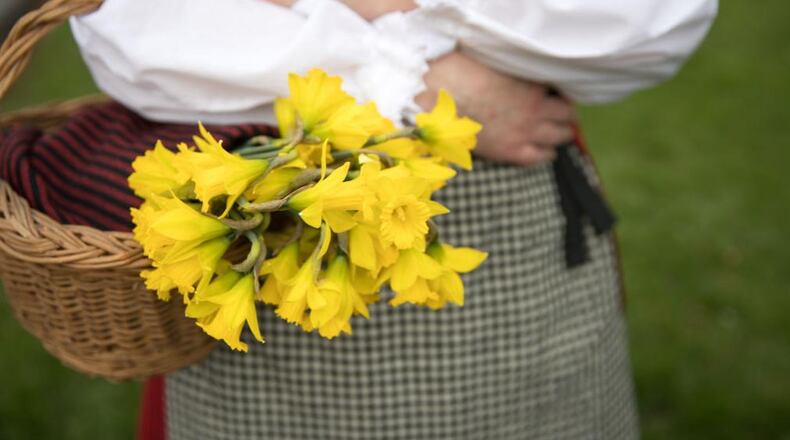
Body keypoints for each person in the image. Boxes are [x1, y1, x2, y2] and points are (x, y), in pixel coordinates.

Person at [69, 1, 718, 438]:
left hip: (504, 234)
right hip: (266, 226)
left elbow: (646, 20)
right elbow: (137, 28)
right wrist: (417, 75)